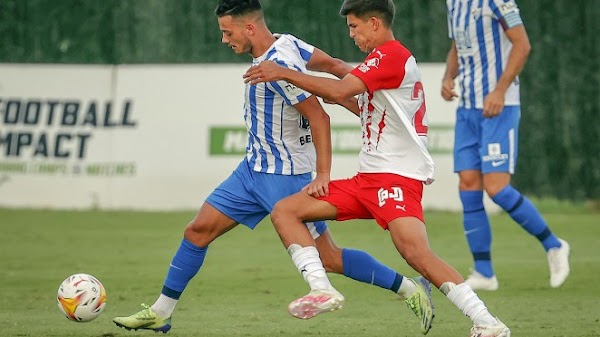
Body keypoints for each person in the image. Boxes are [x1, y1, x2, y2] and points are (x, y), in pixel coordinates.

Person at [112, 0, 434, 334]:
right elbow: (335, 64)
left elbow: (319, 117)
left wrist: (324, 173)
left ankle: (406, 288)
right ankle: (162, 312)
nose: (224, 40)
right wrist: (365, 109)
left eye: (227, 32)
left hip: (284, 176)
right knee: (197, 231)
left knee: (330, 258)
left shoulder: (279, 64)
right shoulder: (288, 41)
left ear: (249, 27)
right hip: (251, 170)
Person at [243, 0, 511, 336]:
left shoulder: (392, 56)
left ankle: (487, 323)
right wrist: (341, 95)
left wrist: (283, 71)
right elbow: (363, 107)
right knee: (286, 211)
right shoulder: (379, 61)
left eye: (354, 27)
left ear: (374, 23)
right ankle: (321, 289)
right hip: (367, 180)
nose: (351, 34)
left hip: (395, 179)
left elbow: (341, 86)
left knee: (417, 254)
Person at [441, 0, 570, 291]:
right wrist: (449, 76)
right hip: (468, 108)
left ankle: (554, 245)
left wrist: (499, 90)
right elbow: (457, 46)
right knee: (468, 184)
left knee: (497, 188)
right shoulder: (452, 3)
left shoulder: (496, 1)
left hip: (499, 107)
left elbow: (522, 44)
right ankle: (484, 272)